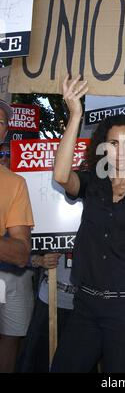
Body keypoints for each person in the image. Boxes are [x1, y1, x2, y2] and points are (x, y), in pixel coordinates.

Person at [50, 76, 125, 373]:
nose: (121, 150)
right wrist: (75, 115)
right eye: (113, 143)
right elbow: (61, 176)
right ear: (103, 148)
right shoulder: (93, 182)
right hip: (86, 305)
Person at [0, 100, 34, 372]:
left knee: (9, 342)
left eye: (1, 122)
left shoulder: (15, 183)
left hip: (6, 279)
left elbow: (22, 253)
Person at [17, 253, 76, 372]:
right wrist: (38, 260)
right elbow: (23, 248)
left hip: (87, 303)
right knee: (37, 360)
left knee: (78, 360)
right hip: (50, 297)